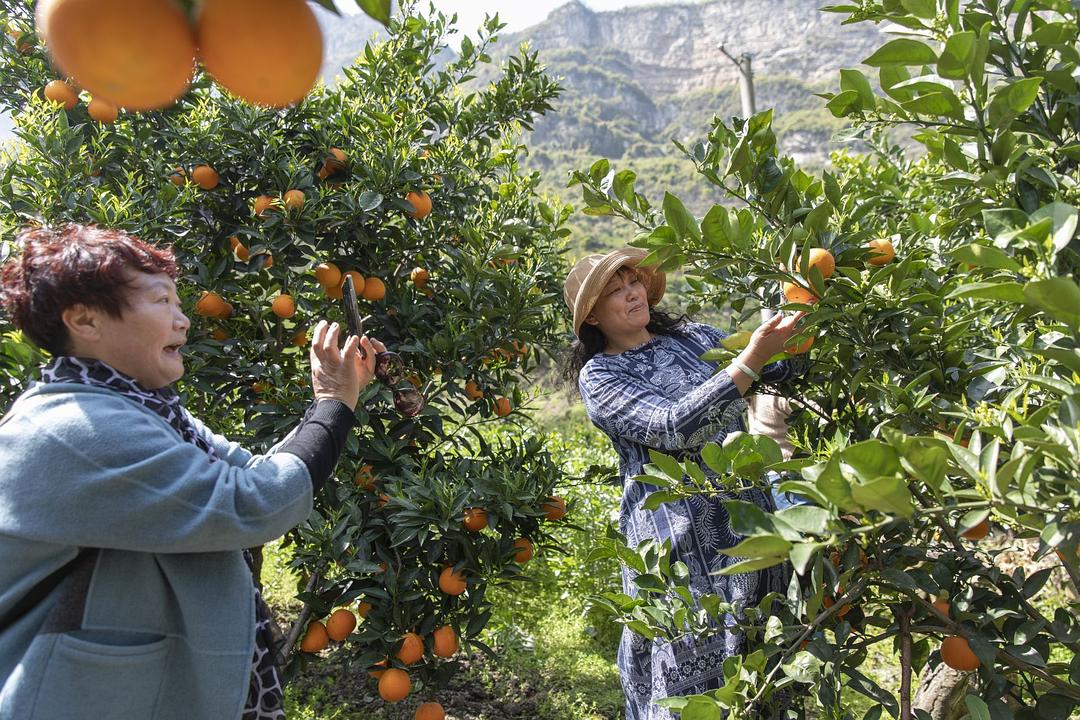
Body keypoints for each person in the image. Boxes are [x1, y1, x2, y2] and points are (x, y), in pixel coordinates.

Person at [0, 225, 385, 720]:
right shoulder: (78, 428)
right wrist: (333, 405)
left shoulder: (142, 410)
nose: (183, 321)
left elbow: (257, 474)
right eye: (162, 301)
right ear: (84, 320)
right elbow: (252, 502)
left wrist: (335, 401)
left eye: (180, 303)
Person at [562, 247, 805, 720]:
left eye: (632, 282)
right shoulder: (602, 375)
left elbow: (776, 372)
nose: (631, 293)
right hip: (677, 542)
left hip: (748, 524)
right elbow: (672, 426)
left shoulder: (695, 338)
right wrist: (752, 355)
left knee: (758, 668)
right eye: (615, 291)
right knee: (688, 666)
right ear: (592, 316)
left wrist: (800, 310)